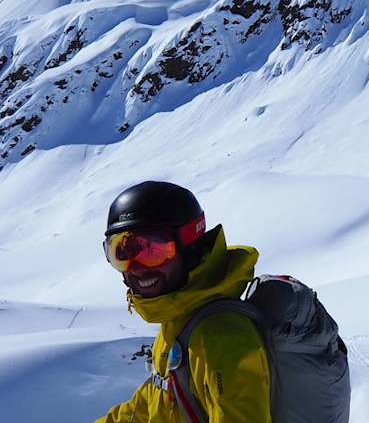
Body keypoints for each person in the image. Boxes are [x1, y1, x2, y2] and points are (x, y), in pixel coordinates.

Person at [97, 181, 271, 423]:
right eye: (122, 253)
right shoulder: (179, 322)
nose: (136, 269)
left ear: (190, 247)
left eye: (153, 251)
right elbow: (149, 403)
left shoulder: (221, 338)